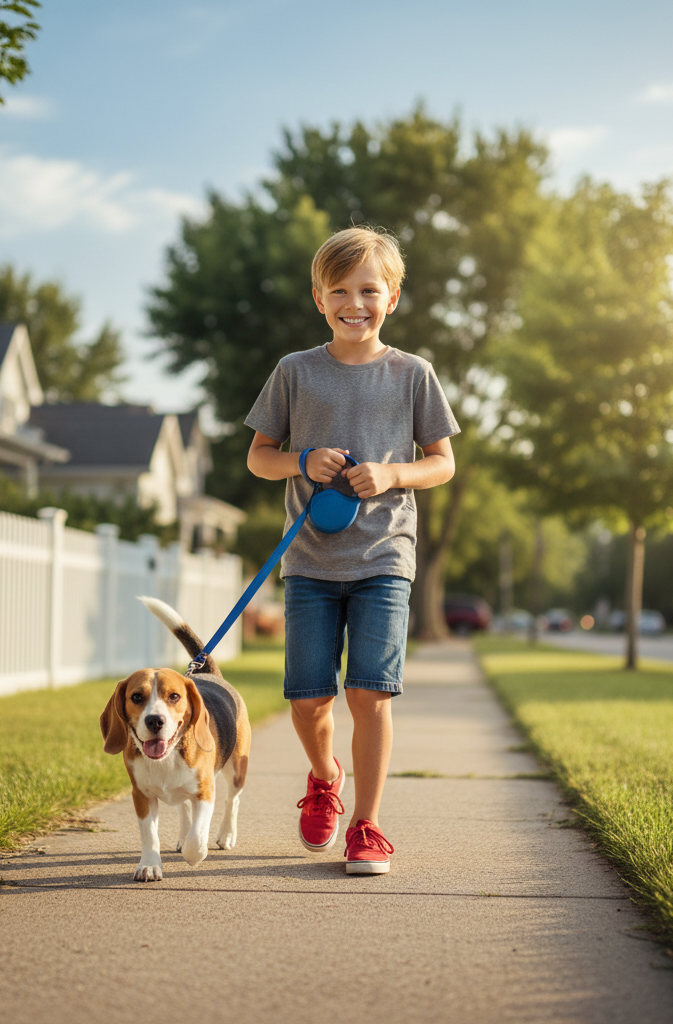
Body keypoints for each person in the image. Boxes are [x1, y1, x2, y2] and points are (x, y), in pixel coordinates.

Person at [244, 226, 459, 874]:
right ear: (319, 298)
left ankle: (366, 825)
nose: (354, 302)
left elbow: (442, 463)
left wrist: (394, 474)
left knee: (369, 694)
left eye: (369, 289)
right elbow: (258, 459)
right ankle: (323, 777)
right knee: (308, 700)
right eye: (340, 290)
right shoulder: (294, 372)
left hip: (384, 557)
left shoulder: (413, 374)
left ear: (391, 297)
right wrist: (302, 460)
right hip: (309, 560)